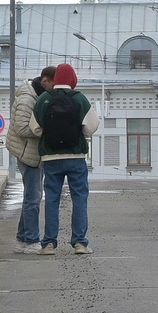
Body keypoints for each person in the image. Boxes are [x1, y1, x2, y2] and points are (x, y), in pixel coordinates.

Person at [33, 61, 95, 255]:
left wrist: (51, 134)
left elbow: (34, 128)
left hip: (51, 157)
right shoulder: (80, 99)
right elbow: (91, 127)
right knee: (79, 198)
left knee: (52, 198)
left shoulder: (44, 98)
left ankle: (49, 243)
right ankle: (80, 243)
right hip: (76, 156)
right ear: (72, 79)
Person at [5, 67, 52, 253]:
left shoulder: (36, 96)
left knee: (32, 195)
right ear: (45, 81)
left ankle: (22, 238)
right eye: (53, 84)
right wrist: (46, 130)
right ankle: (31, 240)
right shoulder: (27, 99)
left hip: (32, 152)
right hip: (27, 152)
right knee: (33, 197)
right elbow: (22, 129)